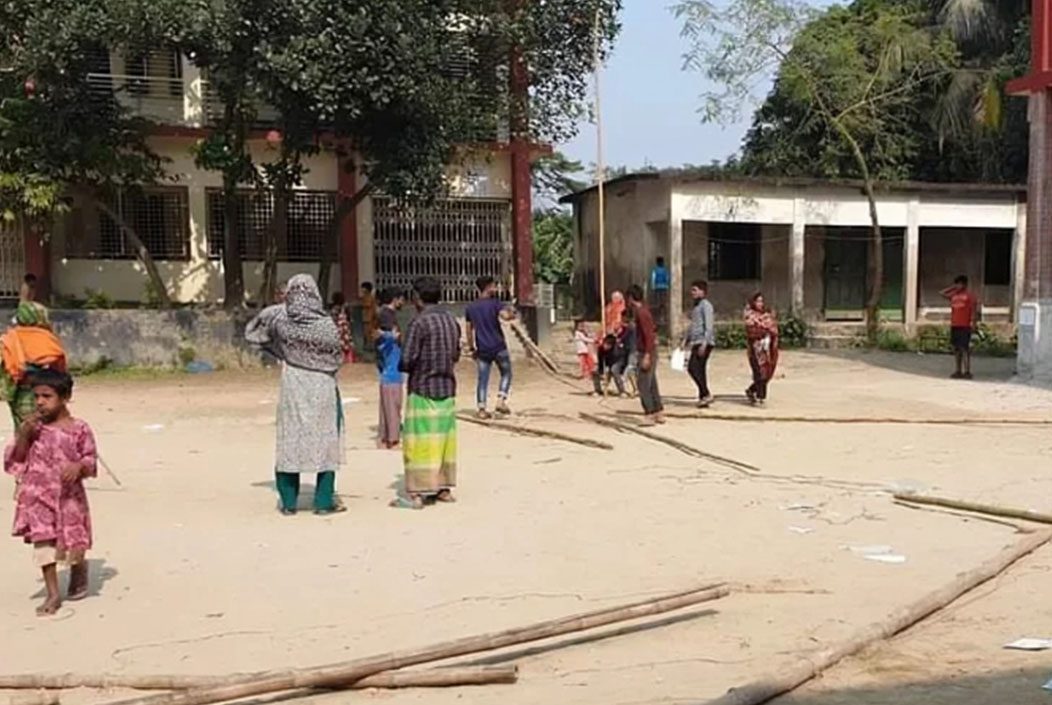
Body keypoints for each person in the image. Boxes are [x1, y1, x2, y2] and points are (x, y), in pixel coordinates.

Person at [245, 274, 346, 516]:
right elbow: (337, 356)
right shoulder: (326, 325)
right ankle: (323, 502)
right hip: (323, 385)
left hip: (293, 383)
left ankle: (289, 502)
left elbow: (253, 332)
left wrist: (278, 350)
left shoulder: (281, 319)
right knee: (325, 440)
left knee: (291, 439)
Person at [5, 370, 97, 616]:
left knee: (73, 539)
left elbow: (90, 459)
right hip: (37, 495)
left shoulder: (79, 429)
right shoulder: (34, 428)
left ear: (65, 397)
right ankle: (53, 593)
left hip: (69, 497)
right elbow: (17, 458)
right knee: (43, 542)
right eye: (36, 397)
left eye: (47, 396)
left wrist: (78, 467)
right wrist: (24, 434)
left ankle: (78, 567)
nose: (40, 402)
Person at [396, 276, 461, 510]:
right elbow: (455, 355)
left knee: (419, 441)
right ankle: (443, 488)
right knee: (444, 441)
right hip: (446, 387)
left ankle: (417, 493)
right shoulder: (451, 322)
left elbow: (406, 360)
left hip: (423, 388)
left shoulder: (419, 323)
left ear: (418, 298)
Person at [1, 302, 67, 429]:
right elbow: (59, 367)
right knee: (47, 430)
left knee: (23, 429)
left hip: (19, 393)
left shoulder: (9, 338)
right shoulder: (47, 339)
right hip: (48, 392)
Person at [464, 276, 516, 419]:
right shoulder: (495, 304)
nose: (496, 288)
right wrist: (512, 312)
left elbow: (469, 330)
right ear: (488, 287)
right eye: (494, 286)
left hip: (482, 349)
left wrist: (471, 348)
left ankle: (481, 409)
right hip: (498, 346)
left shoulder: (471, 307)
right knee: (506, 373)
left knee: (482, 379)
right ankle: (501, 399)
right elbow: (506, 316)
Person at [626, 285, 664, 425]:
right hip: (649, 349)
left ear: (630, 298)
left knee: (642, 383)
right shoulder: (642, 311)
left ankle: (649, 413)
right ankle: (658, 410)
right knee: (652, 383)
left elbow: (648, 335)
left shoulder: (641, 312)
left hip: (647, 351)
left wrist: (647, 355)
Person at [376, 288, 405, 449]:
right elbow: (382, 337)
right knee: (393, 403)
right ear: (395, 299)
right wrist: (390, 336)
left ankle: (386, 436)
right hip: (391, 366)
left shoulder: (384, 314)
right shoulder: (386, 316)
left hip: (390, 367)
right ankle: (392, 439)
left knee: (389, 403)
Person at [684, 280, 716, 408]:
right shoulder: (696, 306)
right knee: (700, 370)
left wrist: (705, 343)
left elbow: (709, 326)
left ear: (702, 292)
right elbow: (693, 325)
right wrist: (686, 339)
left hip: (703, 341)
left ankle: (706, 393)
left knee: (693, 367)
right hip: (695, 341)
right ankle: (703, 396)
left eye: (695, 290)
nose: (692, 293)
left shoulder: (706, 306)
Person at [941, 275, 979, 380]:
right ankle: (958, 370)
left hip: (965, 325)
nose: (958, 286)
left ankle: (967, 371)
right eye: (956, 284)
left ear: (965, 284)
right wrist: (952, 287)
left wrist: (974, 324)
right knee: (956, 349)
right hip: (955, 325)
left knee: (965, 349)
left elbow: (974, 311)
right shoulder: (954, 296)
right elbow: (942, 293)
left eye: (960, 284)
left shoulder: (969, 296)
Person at [744, 292, 780, 405]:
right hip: (755, 349)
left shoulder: (767, 315)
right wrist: (763, 330)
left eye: (761, 301)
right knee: (758, 372)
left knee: (767, 372)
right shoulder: (750, 315)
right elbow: (751, 331)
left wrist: (770, 332)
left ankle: (752, 390)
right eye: (757, 301)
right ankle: (760, 395)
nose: (760, 303)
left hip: (767, 350)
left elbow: (774, 329)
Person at [329, 292, 355, 364]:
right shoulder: (346, 308)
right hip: (346, 332)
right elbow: (350, 320)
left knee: (339, 350)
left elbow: (332, 321)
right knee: (348, 349)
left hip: (337, 332)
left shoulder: (334, 309)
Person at [619, 309, 639, 396]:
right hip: (630, 349)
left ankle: (624, 378)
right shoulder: (629, 326)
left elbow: (624, 336)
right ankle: (636, 388)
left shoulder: (631, 326)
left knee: (630, 368)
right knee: (632, 372)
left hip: (633, 350)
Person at [649, 257, 670, 331]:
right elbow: (667, 279)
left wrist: (653, 287)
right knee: (663, 303)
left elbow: (653, 279)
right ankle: (663, 317)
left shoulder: (655, 270)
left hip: (657, 288)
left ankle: (658, 318)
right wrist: (667, 286)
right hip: (664, 288)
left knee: (657, 303)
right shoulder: (665, 270)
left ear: (656, 262)